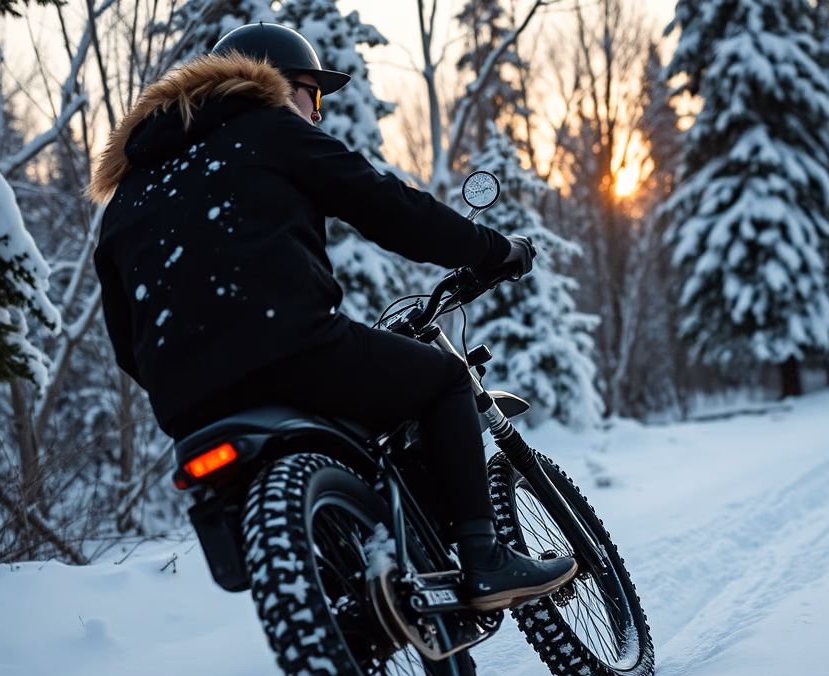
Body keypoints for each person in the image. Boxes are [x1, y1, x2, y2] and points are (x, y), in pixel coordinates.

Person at [87, 22, 575, 612]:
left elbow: (123, 340)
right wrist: (494, 250)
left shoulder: (129, 192)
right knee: (442, 379)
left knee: (361, 435)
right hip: (290, 348)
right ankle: (484, 560)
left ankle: (360, 578)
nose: (316, 115)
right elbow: (391, 208)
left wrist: (197, 374)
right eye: (313, 95)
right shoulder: (268, 128)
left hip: (187, 405)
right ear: (274, 84)